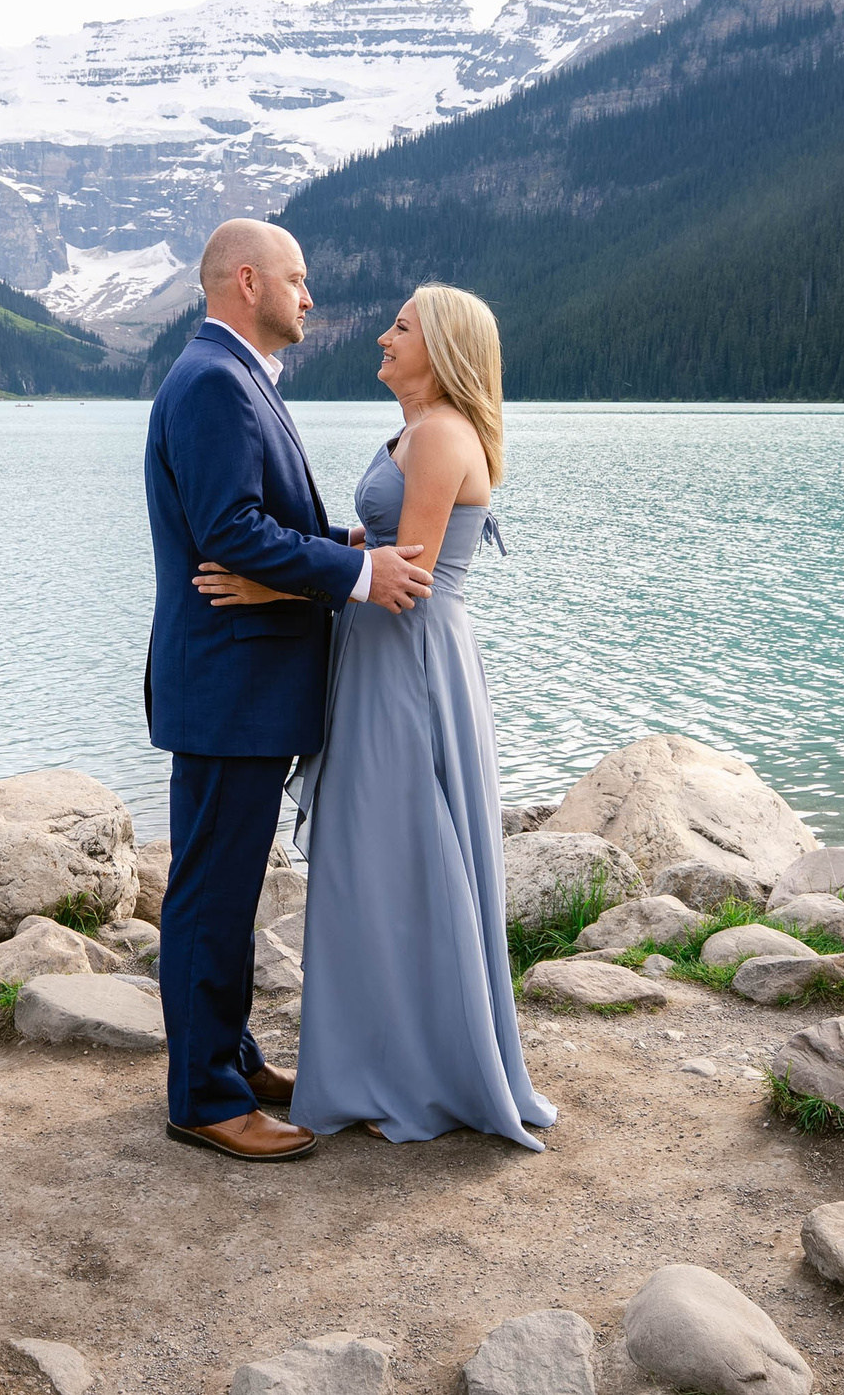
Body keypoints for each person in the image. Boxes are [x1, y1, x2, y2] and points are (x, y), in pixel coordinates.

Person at [194, 283, 553, 1148]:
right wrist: (309, 568)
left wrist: (265, 581)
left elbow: (406, 580)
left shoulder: (437, 434)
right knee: (378, 860)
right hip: (387, 660)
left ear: (443, 347)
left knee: (399, 860)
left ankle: (410, 1071)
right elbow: (374, 551)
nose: (383, 337)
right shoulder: (417, 431)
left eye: (401, 327)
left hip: (408, 668)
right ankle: (379, 1060)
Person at [141, 218, 434, 1163]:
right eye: (299, 281)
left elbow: (273, 525)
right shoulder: (214, 383)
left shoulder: (233, 379)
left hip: (241, 680)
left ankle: (229, 1055)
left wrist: (351, 549)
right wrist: (358, 577)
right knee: (211, 894)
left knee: (223, 887)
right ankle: (202, 1100)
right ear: (248, 282)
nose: (312, 299)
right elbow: (231, 529)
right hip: (230, 682)